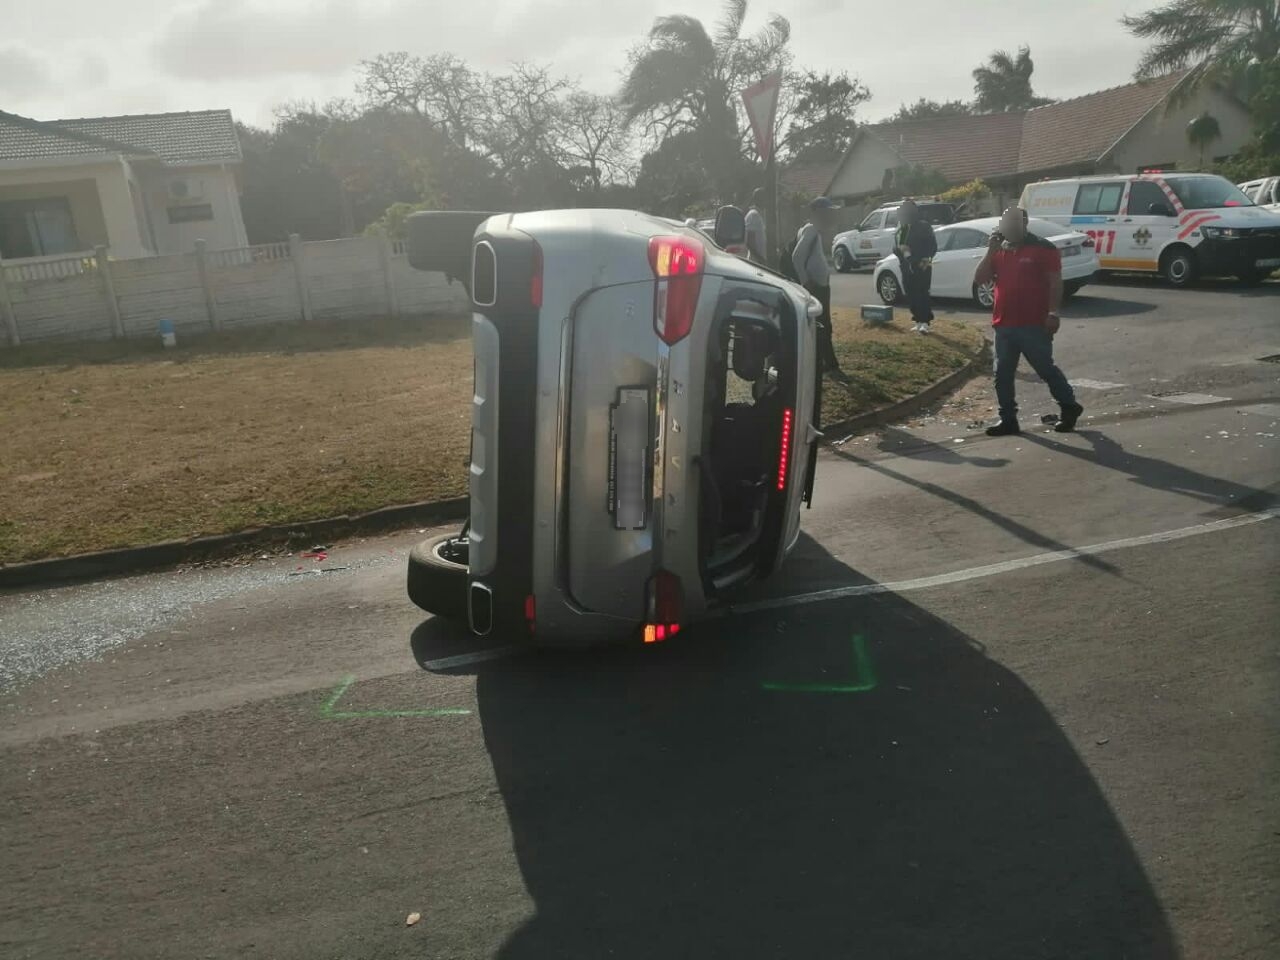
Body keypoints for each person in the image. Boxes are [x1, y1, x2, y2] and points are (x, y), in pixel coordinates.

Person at [974, 207, 1084, 436]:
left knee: (1045, 368)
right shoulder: (999, 249)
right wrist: (990, 251)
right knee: (1002, 374)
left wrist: (1053, 313)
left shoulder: (1042, 248)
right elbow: (980, 279)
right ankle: (1008, 420)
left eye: (1014, 224)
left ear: (1024, 224)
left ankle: (1069, 406)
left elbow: (1055, 282)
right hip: (1004, 324)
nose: (1009, 229)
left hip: (1033, 323)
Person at [791, 196, 848, 382]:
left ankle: (823, 363)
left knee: (821, 326)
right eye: (826, 212)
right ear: (817, 213)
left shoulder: (812, 230)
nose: (830, 216)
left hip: (820, 286)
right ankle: (831, 366)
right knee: (823, 326)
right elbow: (797, 257)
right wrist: (806, 281)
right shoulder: (811, 230)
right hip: (816, 288)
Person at [893, 199, 937, 333]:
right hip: (906, 267)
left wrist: (924, 260)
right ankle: (917, 320)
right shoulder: (903, 228)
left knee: (922, 293)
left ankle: (925, 322)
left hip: (921, 265)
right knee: (910, 293)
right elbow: (896, 247)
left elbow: (932, 247)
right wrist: (900, 250)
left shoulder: (924, 226)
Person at [744, 188, 768, 263]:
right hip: (755, 262)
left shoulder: (759, 215)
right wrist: (760, 259)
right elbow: (749, 241)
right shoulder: (753, 215)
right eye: (763, 198)